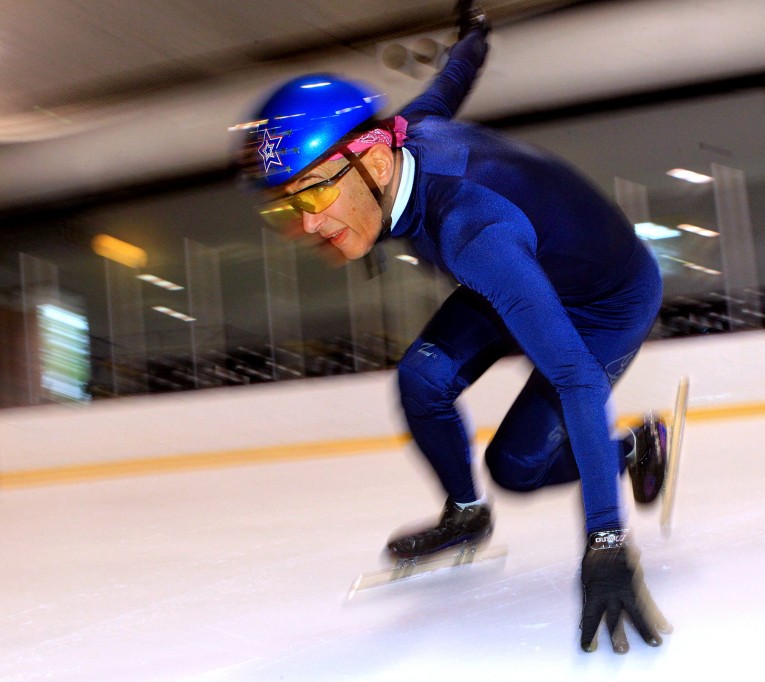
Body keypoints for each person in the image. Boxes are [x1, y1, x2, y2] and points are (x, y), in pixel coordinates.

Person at [238, 3, 672, 654]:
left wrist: (606, 542)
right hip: (521, 272)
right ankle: (466, 517)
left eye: (312, 196)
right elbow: (448, 86)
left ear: (374, 166)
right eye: (286, 209)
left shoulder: (475, 234)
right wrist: (473, 37)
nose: (306, 225)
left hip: (603, 301)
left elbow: (577, 377)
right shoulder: (404, 133)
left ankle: (636, 448)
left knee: (517, 467)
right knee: (422, 378)